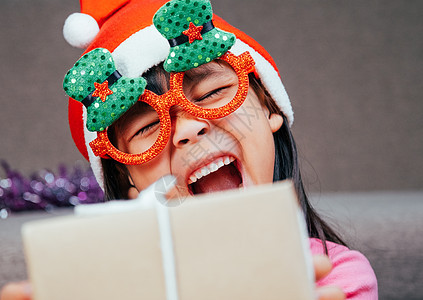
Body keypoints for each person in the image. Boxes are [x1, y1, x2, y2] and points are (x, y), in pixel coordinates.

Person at [0, 0, 377, 299]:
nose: (189, 130)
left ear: (269, 109)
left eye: (213, 93)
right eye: (147, 127)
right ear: (126, 180)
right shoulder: (113, 289)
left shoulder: (337, 279)